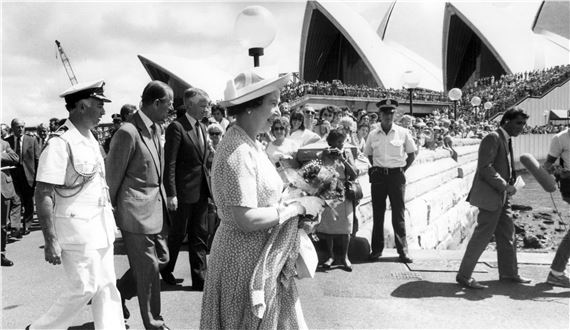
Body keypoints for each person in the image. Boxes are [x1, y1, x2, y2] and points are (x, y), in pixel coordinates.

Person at [200, 69, 324, 329]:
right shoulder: (239, 151)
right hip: (243, 261)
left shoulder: (250, 144)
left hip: (257, 258)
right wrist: (296, 208)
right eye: (272, 103)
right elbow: (246, 218)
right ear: (250, 107)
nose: (277, 112)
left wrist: (298, 204)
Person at [29, 80, 124, 329]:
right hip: (76, 232)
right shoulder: (60, 143)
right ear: (82, 107)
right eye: (99, 105)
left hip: (101, 228)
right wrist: (50, 240)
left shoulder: (91, 139)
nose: (103, 111)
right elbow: (43, 193)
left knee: (106, 286)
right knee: (84, 287)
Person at [106, 80, 172, 329]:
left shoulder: (156, 129)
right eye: (169, 104)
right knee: (147, 268)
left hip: (155, 209)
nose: (171, 110)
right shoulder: (127, 132)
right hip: (134, 211)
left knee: (162, 259)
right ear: (156, 103)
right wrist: (110, 213)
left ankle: (120, 293)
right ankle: (153, 322)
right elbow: (112, 178)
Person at [456, 108, 530, 289]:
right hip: (493, 196)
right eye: (519, 123)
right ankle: (464, 276)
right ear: (506, 121)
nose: (522, 127)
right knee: (482, 237)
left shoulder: (504, 139)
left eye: (523, 124)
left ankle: (509, 273)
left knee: (508, 235)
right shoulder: (493, 138)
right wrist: (505, 185)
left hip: (502, 198)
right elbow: (485, 167)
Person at [161, 87, 212, 291]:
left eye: (207, 105)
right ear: (189, 105)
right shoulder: (176, 127)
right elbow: (170, 163)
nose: (206, 109)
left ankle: (200, 279)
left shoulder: (202, 127)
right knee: (177, 233)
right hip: (182, 193)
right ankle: (165, 267)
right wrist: (171, 193)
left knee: (200, 233)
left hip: (201, 190)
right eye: (202, 105)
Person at [364, 99, 416, 264]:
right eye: (385, 113)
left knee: (398, 214)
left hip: (396, 177)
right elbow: (369, 154)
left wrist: (400, 170)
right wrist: (379, 168)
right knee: (378, 214)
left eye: (391, 113)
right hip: (379, 176)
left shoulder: (403, 132)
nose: (388, 116)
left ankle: (403, 251)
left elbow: (412, 154)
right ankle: (376, 250)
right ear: (380, 114)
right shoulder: (373, 134)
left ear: (394, 114)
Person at [317, 129, 358, 272]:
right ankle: (331, 256)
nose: (341, 145)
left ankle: (345, 257)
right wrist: (325, 157)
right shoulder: (325, 153)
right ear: (331, 142)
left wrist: (343, 159)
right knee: (329, 225)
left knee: (346, 225)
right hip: (329, 190)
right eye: (338, 142)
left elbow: (354, 174)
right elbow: (319, 173)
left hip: (344, 191)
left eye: (343, 141)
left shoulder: (346, 153)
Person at [542, 128, 570, 288]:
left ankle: (556, 272)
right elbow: (547, 166)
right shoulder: (560, 138)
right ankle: (556, 273)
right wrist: (561, 173)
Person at [6, 118, 40, 237]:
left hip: (29, 175)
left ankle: (27, 225)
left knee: (28, 201)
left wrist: (38, 177)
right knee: (15, 200)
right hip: (13, 175)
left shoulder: (32, 140)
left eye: (22, 126)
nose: (20, 129)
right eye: (17, 127)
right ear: (13, 128)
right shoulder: (7, 141)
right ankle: (16, 227)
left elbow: (37, 159)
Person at [1, 137, 19, 266]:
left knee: (2, 225)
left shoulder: (4, 144)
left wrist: (1, 156)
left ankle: (1, 254)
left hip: (3, 189)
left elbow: (15, 158)